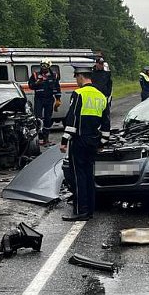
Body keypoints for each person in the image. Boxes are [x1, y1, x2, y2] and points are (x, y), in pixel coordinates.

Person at [60, 64, 110, 222]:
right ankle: (90, 210)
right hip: (93, 141)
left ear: (81, 76)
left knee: (78, 176)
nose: (76, 81)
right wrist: (102, 142)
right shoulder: (101, 96)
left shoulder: (78, 94)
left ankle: (81, 211)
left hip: (79, 141)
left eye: (76, 77)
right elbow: (106, 123)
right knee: (89, 175)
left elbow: (72, 119)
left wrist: (64, 140)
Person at [29, 59, 61, 145]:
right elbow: (31, 86)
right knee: (38, 118)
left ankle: (46, 138)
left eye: (46, 66)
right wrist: (37, 82)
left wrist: (58, 99)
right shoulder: (35, 75)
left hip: (49, 99)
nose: (44, 68)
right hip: (39, 99)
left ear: (49, 66)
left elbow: (57, 87)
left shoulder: (54, 75)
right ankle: (39, 137)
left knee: (48, 118)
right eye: (42, 65)